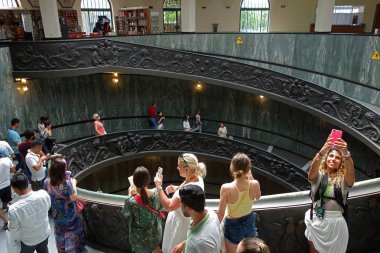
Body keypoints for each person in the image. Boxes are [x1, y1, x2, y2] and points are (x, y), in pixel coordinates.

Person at [304, 136, 355, 253]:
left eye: (337, 158)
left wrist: (346, 154)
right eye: (331, 156)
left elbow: (351, 176)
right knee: (314, 250)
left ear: (341, 162)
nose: (333, 159)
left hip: (336, 223)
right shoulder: (319, 176)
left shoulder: (343, 180)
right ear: (326, 158)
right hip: (317, 219)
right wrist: (323, 150)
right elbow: (312, 171)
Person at [154, 153, 206, 253]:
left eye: (179, 166)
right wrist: (176, 188)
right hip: (185, 222)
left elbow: (169, 206)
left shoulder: (187, 189)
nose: (177, 168)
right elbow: (189, 187)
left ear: (187, 169)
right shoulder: (197, 178)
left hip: (179, 227)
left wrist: (159, 187)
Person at [217, 153, 261, 253]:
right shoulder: (254, 183)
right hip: (249, 220)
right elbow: (257, 197)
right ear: (248, 168)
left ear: (232, 167)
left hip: (232, 225)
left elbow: (220, 214)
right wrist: (251, 178)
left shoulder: (226, 188)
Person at [44, 158, 85, 253]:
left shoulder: (47, 182)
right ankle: (73, 249)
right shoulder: (66, 183)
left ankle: (61, 249)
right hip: (70, 212)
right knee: (72, 230)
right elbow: (73, 197)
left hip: (57, 212)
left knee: (60, 231)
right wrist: (73, 183)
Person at [8, 172, 51, 253]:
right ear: (28, 182)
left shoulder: (14, 209)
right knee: (43, 250)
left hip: (28, 240)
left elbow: (13, 228)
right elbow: (48, 207)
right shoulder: (43, 194)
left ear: (14, 189)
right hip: (44, 233)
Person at [123, 166, 163, 253]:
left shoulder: (131, 201)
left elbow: (126, 213)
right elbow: (161, 206)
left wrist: (129, 194)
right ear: (148, 180)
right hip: (155, 233)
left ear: (134, 182)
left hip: (139, 238)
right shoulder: (156, 194)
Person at [172, 185, 221, 253]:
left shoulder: (202, 242)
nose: (179, 204)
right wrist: (184, 244)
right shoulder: (210, 213)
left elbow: (200, 241)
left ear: (188, 209)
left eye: (180, 202)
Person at [0, 147, 16, 229]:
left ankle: (6, 222)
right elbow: (13, 170)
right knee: (8, 201)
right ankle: (15, 219)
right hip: (7, 184)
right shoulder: (7, 159)